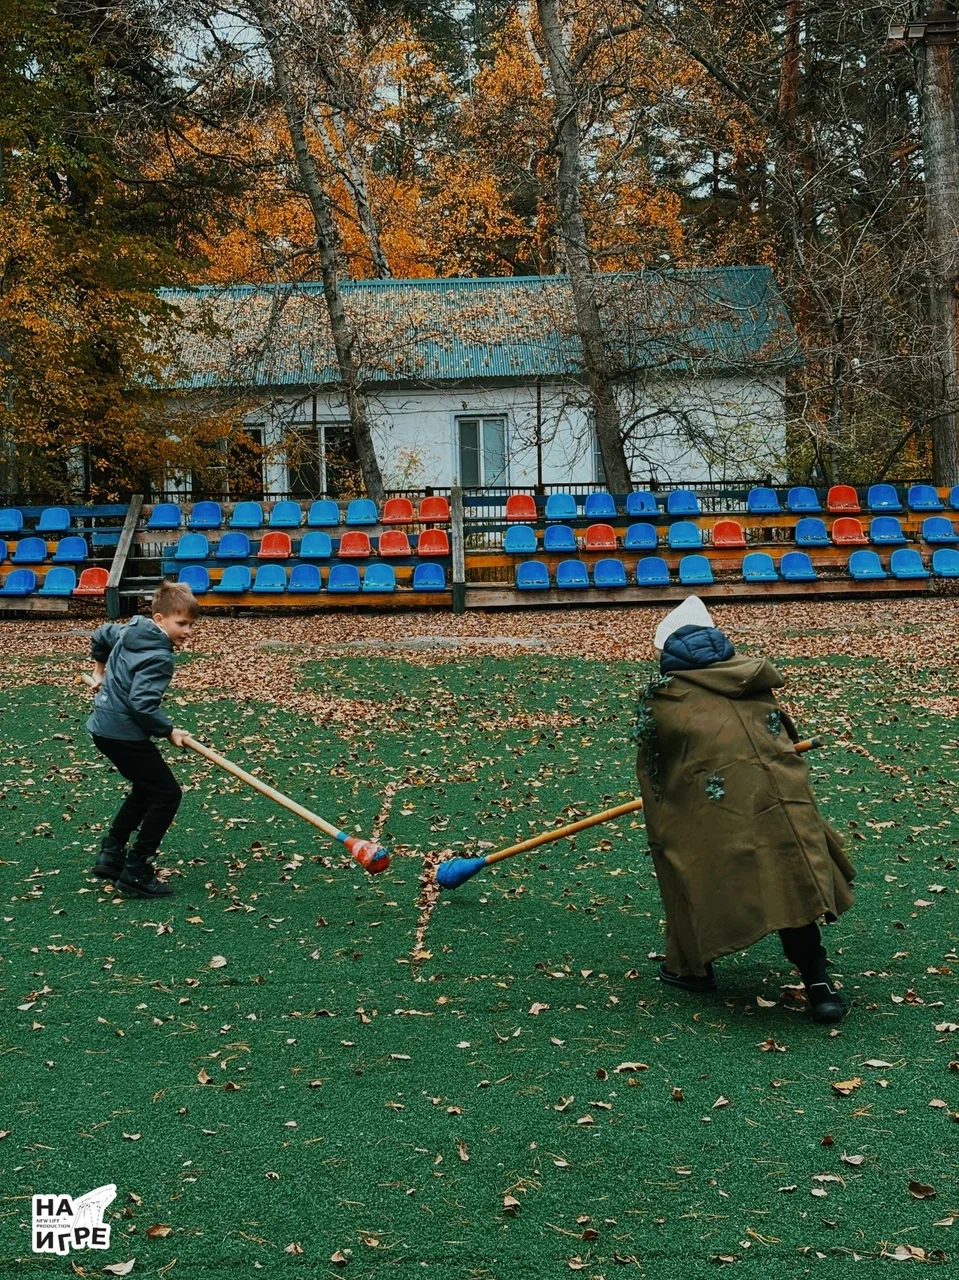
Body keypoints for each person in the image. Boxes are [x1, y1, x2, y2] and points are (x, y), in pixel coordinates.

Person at [634, 595, 854, 1023]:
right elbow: (780, 734)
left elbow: (657, 773)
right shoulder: (751, 677)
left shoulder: (664, 700)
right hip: (781, 801)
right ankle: (819, 984)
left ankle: (692, 969)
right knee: (787, 876)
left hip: (718, 808)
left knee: (684, 861)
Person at [86, 581, 197, 898]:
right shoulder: (160, 656)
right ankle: (137, 870)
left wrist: (99, 671)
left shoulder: (129, 631)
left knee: (147, 788)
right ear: (159, 619)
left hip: (104, 728)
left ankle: (112, 854)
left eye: (191, 624)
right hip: (122, 733)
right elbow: (142, 704)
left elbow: (101, 634)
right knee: (167, 794)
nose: (188, 631)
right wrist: (169, 731)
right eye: (181, 623)